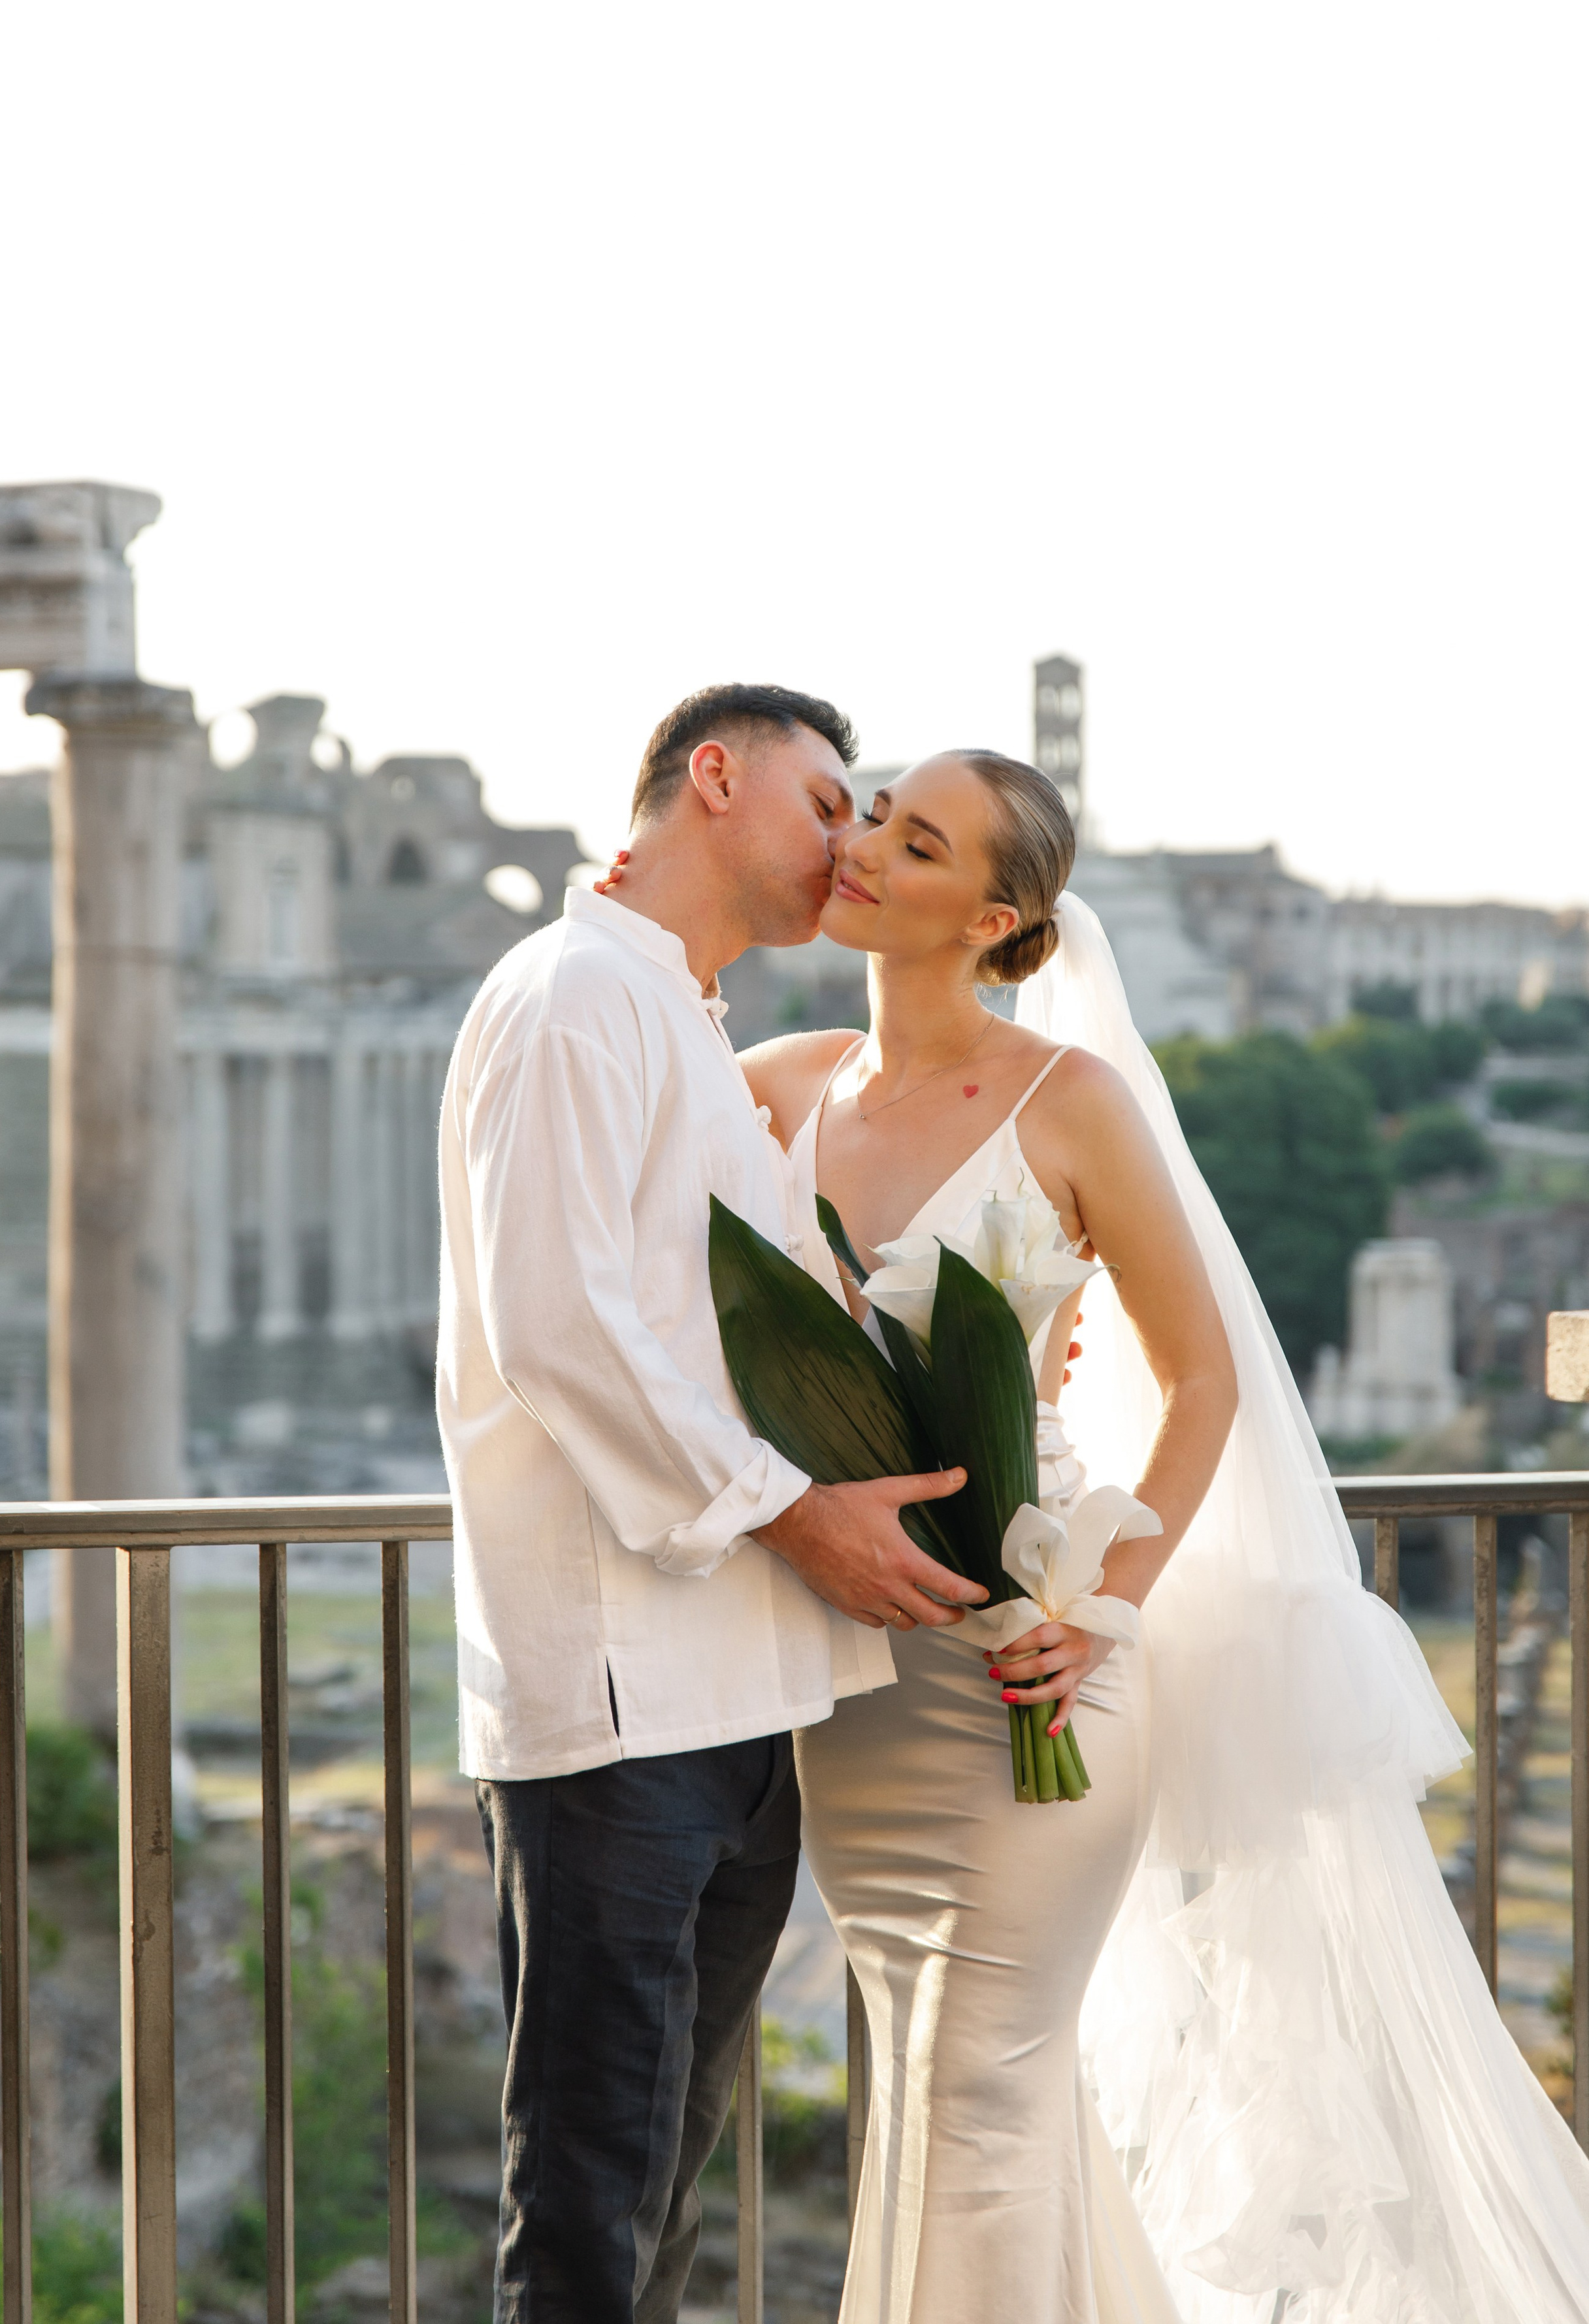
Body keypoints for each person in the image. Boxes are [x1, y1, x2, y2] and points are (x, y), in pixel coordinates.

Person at [743, 749, 1589, 2324]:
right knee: (947, 2099)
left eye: (911, 840)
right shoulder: (775, 1085)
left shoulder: (1073, 1102)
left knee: (978, 2088)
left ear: (993, 917)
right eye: (868, 816)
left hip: (1033, 1672)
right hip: (856, 1687)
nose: (860, 847)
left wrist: (1101, 1607)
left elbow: (1200, 1379)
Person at [436, 685, 987, 2324]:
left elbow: (753, 1329)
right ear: (713, 776)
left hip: (739, 1699)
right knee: (593, 2197)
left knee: (665, 2180)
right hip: (618, 1705)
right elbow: (559, 1324)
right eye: (828, 805)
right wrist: (796, 1513)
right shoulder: (568, 998)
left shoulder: (682, 1019)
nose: (848, 845)